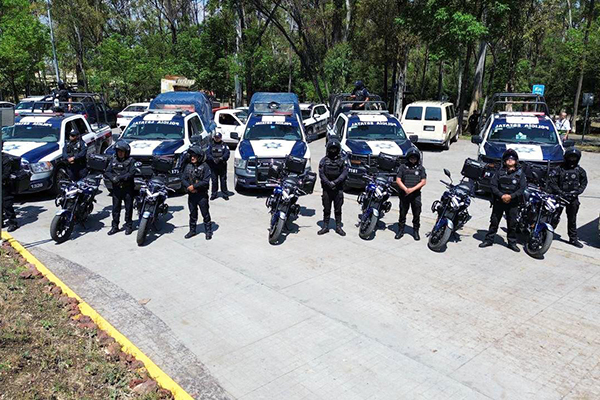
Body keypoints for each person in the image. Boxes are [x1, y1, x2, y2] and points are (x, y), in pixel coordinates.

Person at [479, 148, 526, 251]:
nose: (510, 160)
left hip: (513, 203)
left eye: (512, 159)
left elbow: (522, 188)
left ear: (516, 161)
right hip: (499, 201)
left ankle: (512, 243)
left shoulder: (520, 174)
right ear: (504, 161)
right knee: (494, 222)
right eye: (508, 159)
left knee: (512, 224)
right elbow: (493, 185)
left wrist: (511, 196)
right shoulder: (499, 172)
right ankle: (489, 240)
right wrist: (501, 195)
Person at [550, 147, 588, 248]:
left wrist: (577, 192)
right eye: (570, 157)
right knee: (554, 217)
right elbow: (552, 182)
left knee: (572, 219)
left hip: (573, 198)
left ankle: (573, 239)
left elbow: (584, 183)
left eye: (574, 158)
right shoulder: (559, 169)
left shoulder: (580, 171)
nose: (572, 160)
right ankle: (547, 235)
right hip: (560, 197)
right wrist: (560, 192)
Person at [104, 141, 136, 236]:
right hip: (116, 189)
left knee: (128, 208)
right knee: (115, 208)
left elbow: (131, 173)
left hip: (127, 188)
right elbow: (107, 172)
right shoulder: (113, 160)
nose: (120, 153)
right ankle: (115, 226)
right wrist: (113, 178)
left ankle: (128, 226)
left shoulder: (131, 161)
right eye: (118, 151)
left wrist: (121, 178)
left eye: (122, 151)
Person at [318, 140, 348, 236]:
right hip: (327, 189)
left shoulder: (342, 161)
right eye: (331, 149)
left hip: (338, 189)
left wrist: (335, 182)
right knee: (326, 209)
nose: (333, 151)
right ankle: (325, 226)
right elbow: (321, 173)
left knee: (338, 209)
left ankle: (338, 227)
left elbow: (344, 173)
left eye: (335, 149)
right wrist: (328, 183)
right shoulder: (323, 161)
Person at [395, 148, 427, 240]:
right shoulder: (403, 167)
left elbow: (423, 181)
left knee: (416, 214)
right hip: (404, 194)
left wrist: (412, 189)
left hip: (415, 195)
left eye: (415, 158)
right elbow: (398, 180)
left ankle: (415, 231)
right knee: (402, 213)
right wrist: (405, 189)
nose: (413, 159)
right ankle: (400, 230)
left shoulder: (421, 169)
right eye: (411, 158)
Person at [182, 146, 213, 240]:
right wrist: (189, 187)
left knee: (205, 214)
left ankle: (208, 231)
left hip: (202, 195)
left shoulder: (205, 166)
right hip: (191, 195)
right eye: (191, 156)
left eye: (194, 156)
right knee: (192, 214)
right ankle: (192, 230)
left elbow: (206, 181)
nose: (192, 158)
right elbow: (183, 178)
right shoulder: (188, 166)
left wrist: (194, 187)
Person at [207, 132, 232, 201]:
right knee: (214, 180)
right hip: (213, 165)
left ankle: (225, 194)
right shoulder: (211, 145)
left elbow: (227, 153)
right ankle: (214, 194)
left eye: (218, 137)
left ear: (220, 138)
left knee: (223, 180)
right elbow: (208, 153)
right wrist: (213, 159)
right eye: (215, 137)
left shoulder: (224, 145)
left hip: (222, 165)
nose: (217, 139)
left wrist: (221, 158)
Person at [2, 151, 21, 232]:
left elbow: (6, 174)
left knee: (7, 205)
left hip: (4, 185)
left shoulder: (5, 159)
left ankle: (13, 223)